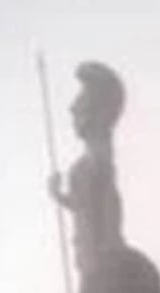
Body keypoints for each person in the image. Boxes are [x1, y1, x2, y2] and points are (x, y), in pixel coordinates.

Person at [47, 62, 125, 280]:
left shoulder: (97, 160)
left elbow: (98, 208)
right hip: (90, 264)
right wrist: (59, 196)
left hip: (100, 267)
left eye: (82, 99)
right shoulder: (85, 166)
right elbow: (85, 205)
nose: (73, 108)